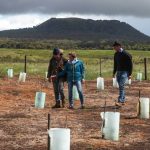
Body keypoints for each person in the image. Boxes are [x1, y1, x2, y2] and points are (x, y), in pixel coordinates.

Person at [113, 41, 133, 106]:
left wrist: (130, 74)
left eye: (115, 47)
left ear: (119, 46)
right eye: (114, 47)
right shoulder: (116, 54)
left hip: (125, 72)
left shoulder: (126, 54)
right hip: (118, 72)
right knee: (121, 86)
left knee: (121, 85)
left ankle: (120, 100)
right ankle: (123, 100)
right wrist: (114, 72)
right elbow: (115, 64)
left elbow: (131, 65)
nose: (114, 48)